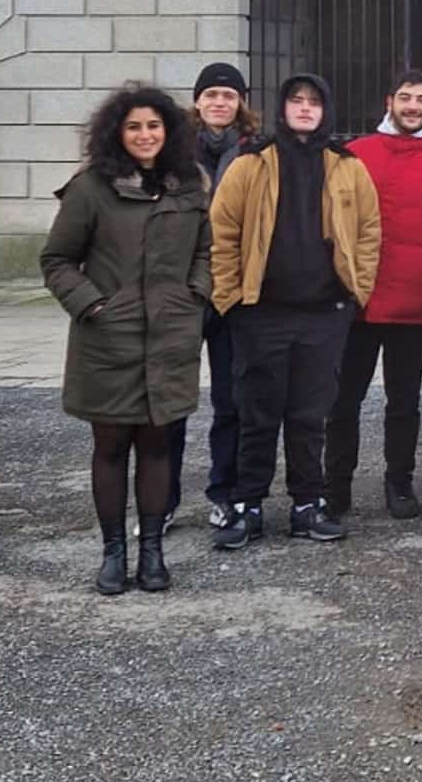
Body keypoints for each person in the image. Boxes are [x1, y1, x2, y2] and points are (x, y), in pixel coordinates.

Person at [42, 85, 211, 595]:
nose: (145, 135)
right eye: (135, 126)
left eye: (154, 126)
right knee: (111, 446)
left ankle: (154, 552)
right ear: (118, 132)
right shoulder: (92, 187)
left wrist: (195, 295)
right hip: (108, 340)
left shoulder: (188, 185)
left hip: (170, 337)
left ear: (169, 131)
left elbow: (206, 250)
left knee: (159, 445)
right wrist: (93, 305)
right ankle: (114, 552)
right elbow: (57, 260)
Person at [209, 73, 381, 551]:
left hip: (325, 313)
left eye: (313, 102)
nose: (305, 109)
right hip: (260, 313)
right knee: (257, 413)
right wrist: (229, 300)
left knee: (311, 415)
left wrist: (355, 292)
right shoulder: (251, 164)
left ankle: (309, 504)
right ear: (281, 108)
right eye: (295, 101)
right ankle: (248, 505)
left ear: (325, 110)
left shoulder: (348, 167)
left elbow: (368, 231)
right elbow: (222, 233)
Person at [324, 70, 422, 522]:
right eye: (405, 98)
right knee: (344, 399)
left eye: (421, 99)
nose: (412, 106)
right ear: (390, 101)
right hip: (359, 300)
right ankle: (335, 488)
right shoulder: (355, 155)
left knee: (404, 402)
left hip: (414, 300)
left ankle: (399, 483)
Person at [184, 62, 257, 531]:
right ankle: (161, 497)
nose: (219, 102)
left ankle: (225, 490)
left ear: (240, 104)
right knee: (167, 403)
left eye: (228, 96)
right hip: (184, 289)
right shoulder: (174, 151)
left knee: (232, 401)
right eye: (211, 94)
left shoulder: (253, 152)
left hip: (232, 289)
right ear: (197, 102)